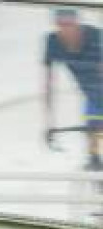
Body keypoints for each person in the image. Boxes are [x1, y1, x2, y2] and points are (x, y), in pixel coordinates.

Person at [43, 8, 103, 170]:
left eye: (70, 24)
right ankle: (95, 160)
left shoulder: (96, 36)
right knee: (94, 132)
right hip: (92, 95)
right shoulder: (53, 41)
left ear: (78, 23)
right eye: (61, 25)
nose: (67, 29)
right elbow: (49, 82)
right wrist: (49, 122)